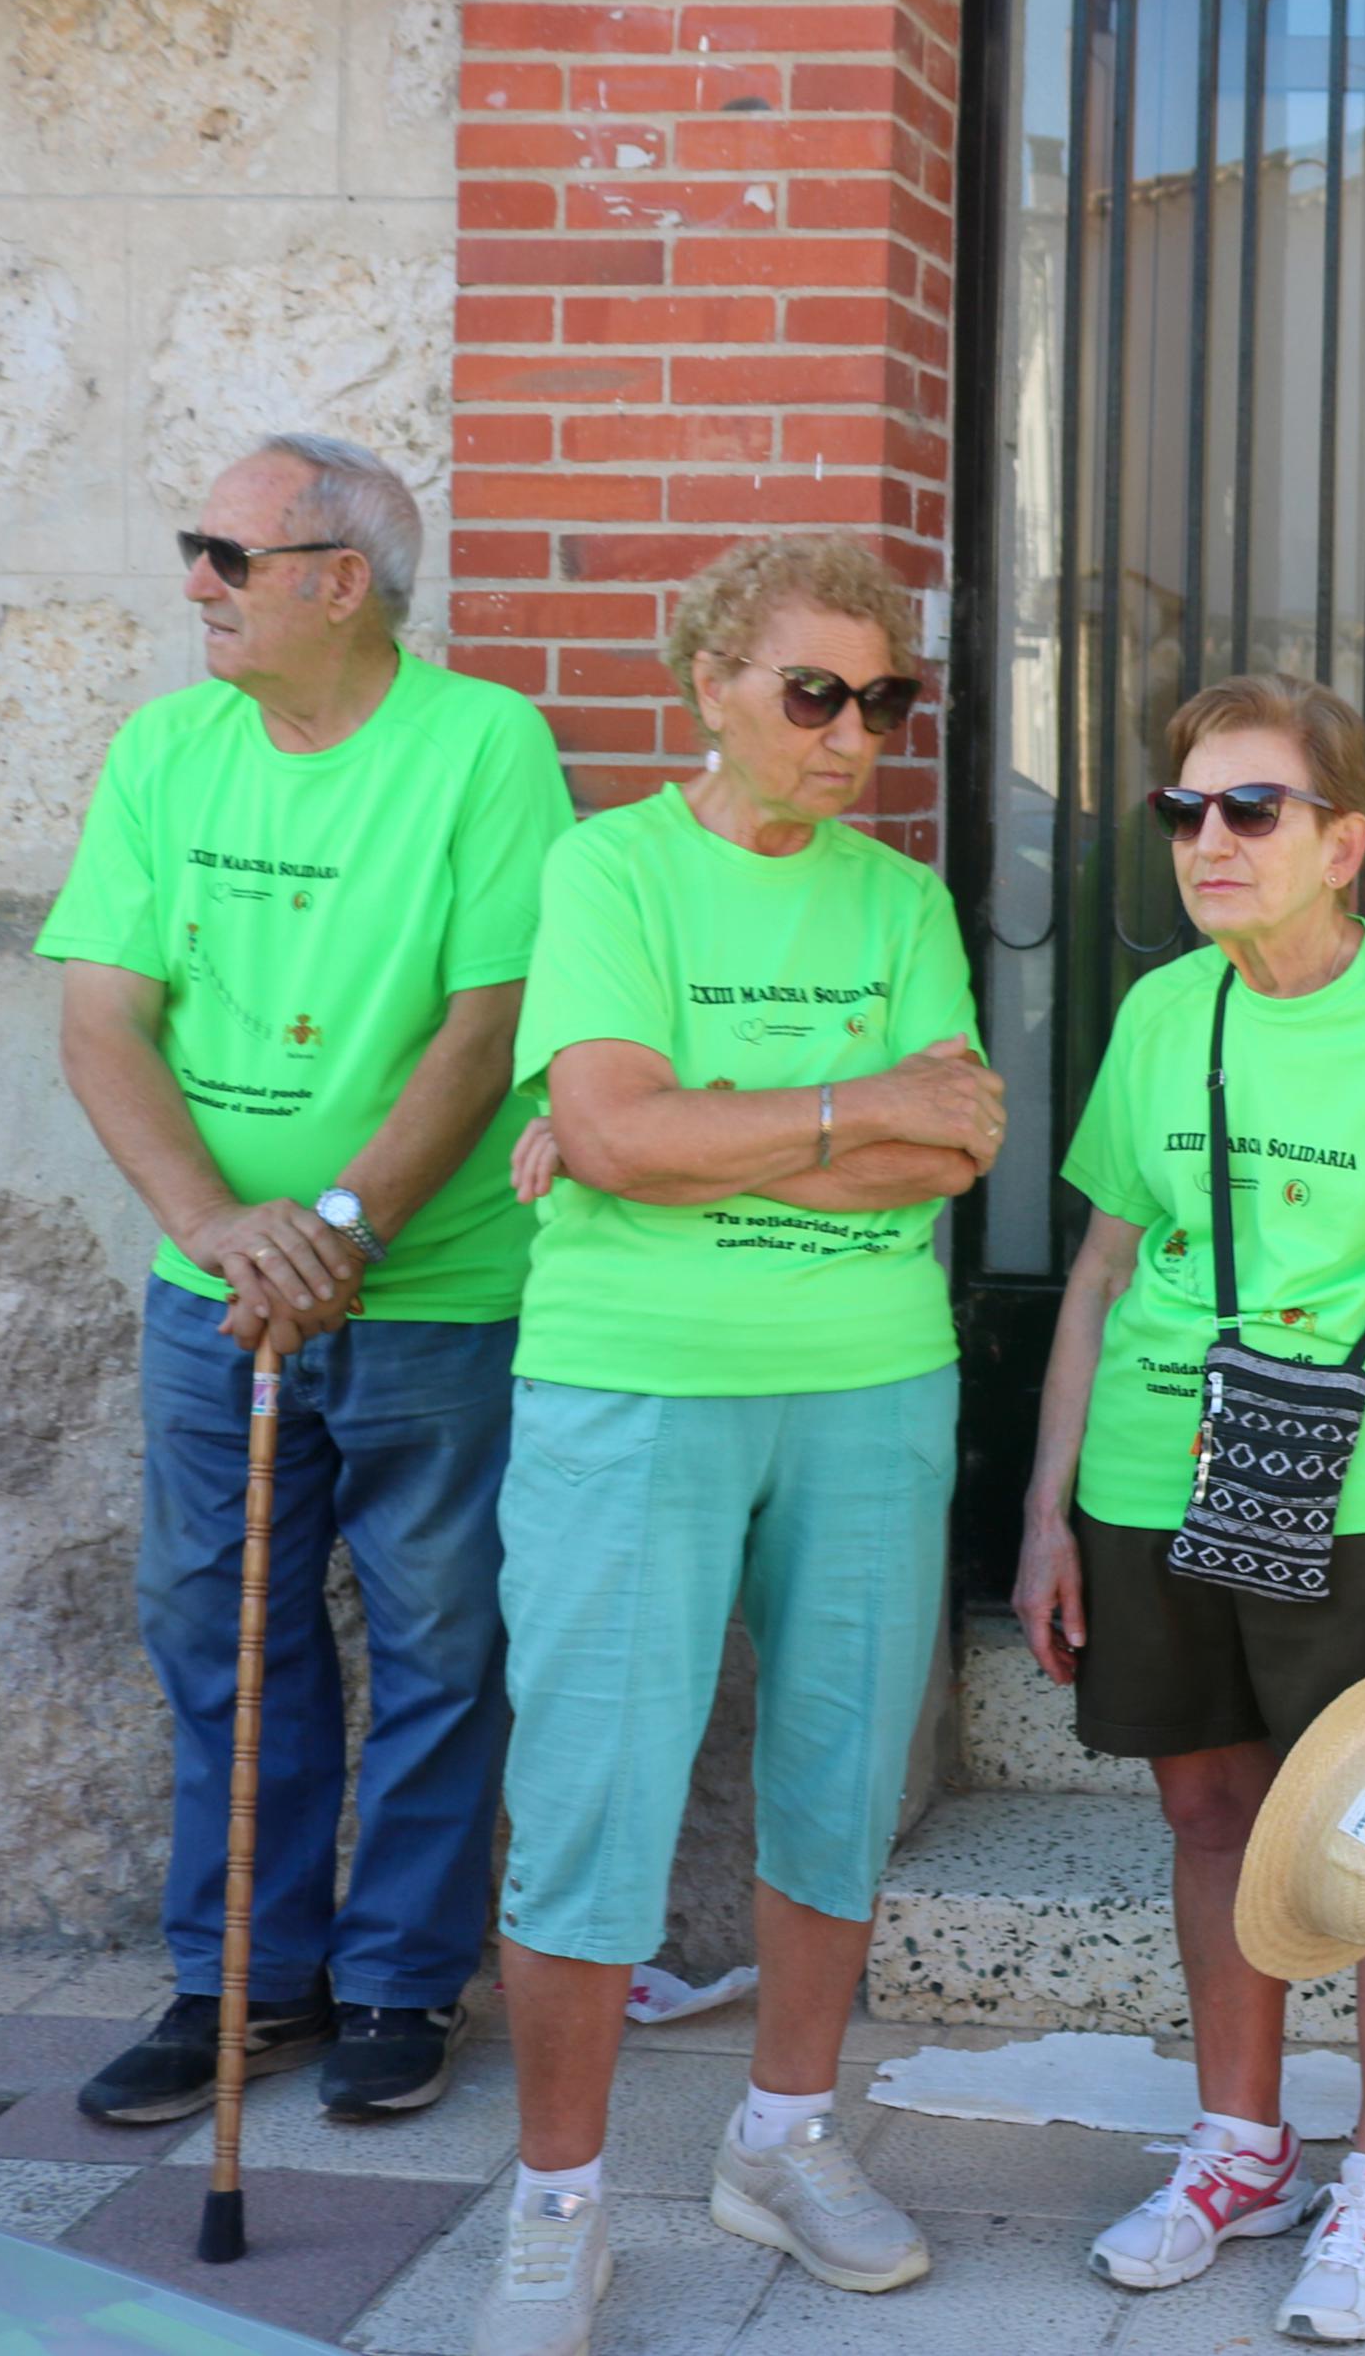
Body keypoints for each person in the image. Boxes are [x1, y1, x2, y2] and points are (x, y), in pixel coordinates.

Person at [468, 534, 999, 2356]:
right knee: (594, 1800)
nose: (854, 733)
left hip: (870, 1382)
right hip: (635, 1380)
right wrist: (843, 1108)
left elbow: (959, 1151)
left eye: (885, 700)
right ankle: (556, 2203)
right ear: (709, 683)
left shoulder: (899, 898)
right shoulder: (608, 866)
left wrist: (704, 1125)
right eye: (814, 693)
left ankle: (782, 2140)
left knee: (838, 1777)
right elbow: (614, 1136)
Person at [40, 436, 571, 2129]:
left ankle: (401, 1986)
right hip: (212, 1294)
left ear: (340, 582)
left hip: (430, 1292)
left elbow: (489, 1025)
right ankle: (244, 1985)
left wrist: (338, 1224)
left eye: (226, 553)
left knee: (436, 1642)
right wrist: (217, 1226)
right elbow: (102, 1015)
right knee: (220, 1631)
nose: (194, 580)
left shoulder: (484, 745)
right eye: (196, 547)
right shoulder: (164, 748)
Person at [1013, 673, 1365, 2345]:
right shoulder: (1165, 1012)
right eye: (1184, 811)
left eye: (1252, 810)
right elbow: (1097, 1274)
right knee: (1207, 1818)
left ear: (1344, 841)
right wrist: (1045, 1518)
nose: (1208, 840)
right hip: (1152, 1480)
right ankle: (1237, 2140)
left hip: (1356, 1496)